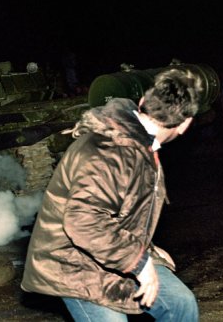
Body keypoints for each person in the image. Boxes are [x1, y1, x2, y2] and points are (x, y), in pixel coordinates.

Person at [21, 69, 200, 321]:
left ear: (142, 103)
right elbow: (84, 222)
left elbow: (120, 209)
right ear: (185, 124)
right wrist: (140, 263)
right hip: (75, 265)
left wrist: (148, 249)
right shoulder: (109, 151)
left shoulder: (140, 143)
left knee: (181, 304)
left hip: (109, 253)